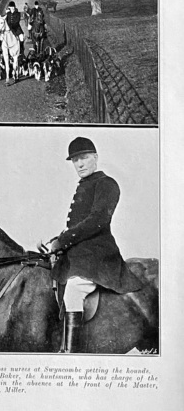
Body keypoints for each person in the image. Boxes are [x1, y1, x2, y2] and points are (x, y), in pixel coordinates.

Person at [41, 138, 142, 353]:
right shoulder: (85, 185)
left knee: (74, 292)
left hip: (98, 254)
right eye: (75, 160)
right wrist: (55, 243)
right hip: (80, 253)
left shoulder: (107, 184)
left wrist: (63, 240)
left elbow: (98, 220)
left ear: (95, 158)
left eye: (84, 158)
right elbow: (78, 227)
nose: (80, 164)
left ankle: (71, 353)